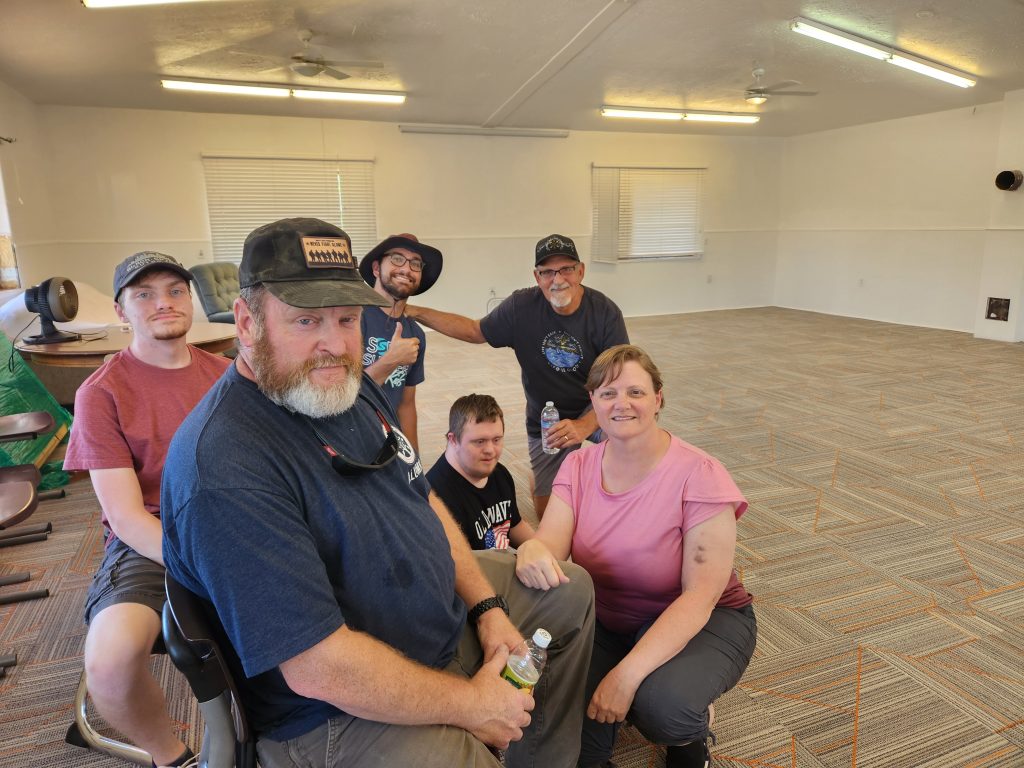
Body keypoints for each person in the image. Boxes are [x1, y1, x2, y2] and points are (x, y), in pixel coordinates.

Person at [160, 218, 596, 768]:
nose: (334, 344)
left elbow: (422, 498)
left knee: (569, 591)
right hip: (333, 709)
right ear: (247, 323)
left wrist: (486, 606)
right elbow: (318, 666)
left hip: (428, 617)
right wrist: (472, 705)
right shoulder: (224, 465)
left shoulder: (350, 389)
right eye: (305, 320)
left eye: (346, 319)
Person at [514, 344, 757, 768]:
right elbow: (550, 544)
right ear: (593, 402)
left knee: (662, 707)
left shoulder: (700, 474)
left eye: (635, 392)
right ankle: (630, 692)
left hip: (703, 618)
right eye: (607, 393)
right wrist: (532, 548)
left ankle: (690, 732)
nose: (620, 403)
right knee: (570, 738)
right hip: (608, 621)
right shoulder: (578, 465)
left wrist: (625, 677)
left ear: (658, 399)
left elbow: (699, 597)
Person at [63, 252, 231, 768]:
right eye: (145, 295)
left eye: (176, 291)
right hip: (150, 540)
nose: (164, 303)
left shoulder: (227, 375)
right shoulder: (102, 393)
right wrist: (204, 568)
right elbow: (127, 517)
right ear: (122, 311)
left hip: (231, 524)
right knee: (110, 662)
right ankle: (171, 756)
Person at [406, 234, 628, 517]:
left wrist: (585, 425)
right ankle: (542, 480)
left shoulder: (605, 312)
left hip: (596, 405)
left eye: (567, 269)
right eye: (548, 272)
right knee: (548, 513)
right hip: (547, 415)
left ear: (581, 271)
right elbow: (475, 331)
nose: (558, 279)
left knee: (632, 445)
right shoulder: (521, 307)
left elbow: (621, 381)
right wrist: (414, 311)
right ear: (537, 277)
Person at [357, 233, 442, 452]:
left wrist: (413, 461)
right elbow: (339, 397)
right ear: (376, 268)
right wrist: (390, 360)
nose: (406, 269)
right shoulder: (352, 319)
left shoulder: (415, 334)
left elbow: (406, 405)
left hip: (387, 442)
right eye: (397, 259)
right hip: (349, 438)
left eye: (416, 264)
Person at [427, 393, 535, 550]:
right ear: (453, 440)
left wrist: (543, 550)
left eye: (496, 439)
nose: (490, 450)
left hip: (502, 558)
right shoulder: (435, 496)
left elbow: (515, 525)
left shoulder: (499, 473)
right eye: (479, 441)